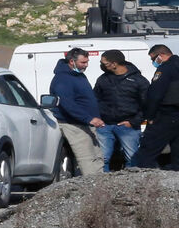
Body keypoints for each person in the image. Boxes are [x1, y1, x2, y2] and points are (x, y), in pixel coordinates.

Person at [135, 44, 179, 171]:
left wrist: (149, 116)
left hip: (166, 115)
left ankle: (143, 183)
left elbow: (155, 95)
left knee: (147, 153)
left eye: (153, 58)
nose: (153, 62)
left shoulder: (166, 69)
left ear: (161, 55)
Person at [49, 47, 103, 175]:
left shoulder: (78, 75)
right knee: (87, 158)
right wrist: (88, 118)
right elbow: (67, 104)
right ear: (72, 61)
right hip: (73, 124)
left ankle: (101, 186)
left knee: (97, 157)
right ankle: (93, 189)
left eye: (87, 62)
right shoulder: (62, 79)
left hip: (86, 124)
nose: (86, 65)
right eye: (83, 62)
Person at [92, 49, 149, 171]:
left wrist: (133, 122)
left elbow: (147, 105)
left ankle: (131, 185)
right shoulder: (103, 79)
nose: (101, 65)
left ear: (114, 64)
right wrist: (97, 118)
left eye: (104, 63)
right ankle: (101, 185)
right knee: (103, 159)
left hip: (128, 126)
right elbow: (95, 99)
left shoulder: (139, 81)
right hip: (104, 125)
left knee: (132, 159)